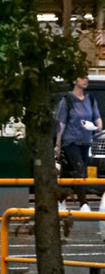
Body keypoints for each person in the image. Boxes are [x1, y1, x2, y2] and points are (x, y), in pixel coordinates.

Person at [52, 75, 100, 211]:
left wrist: (96, 126)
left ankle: (60, 201)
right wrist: (58, 143)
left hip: (85, 141)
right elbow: (61, 123)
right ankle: (83, 203)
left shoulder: (90, 100)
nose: (86, 81)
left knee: (68, 172)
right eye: (82, 78)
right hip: (70, 141)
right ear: (75, 81)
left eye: (86, 78)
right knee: (79, 169)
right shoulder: (67, 100)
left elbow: (98, 118)